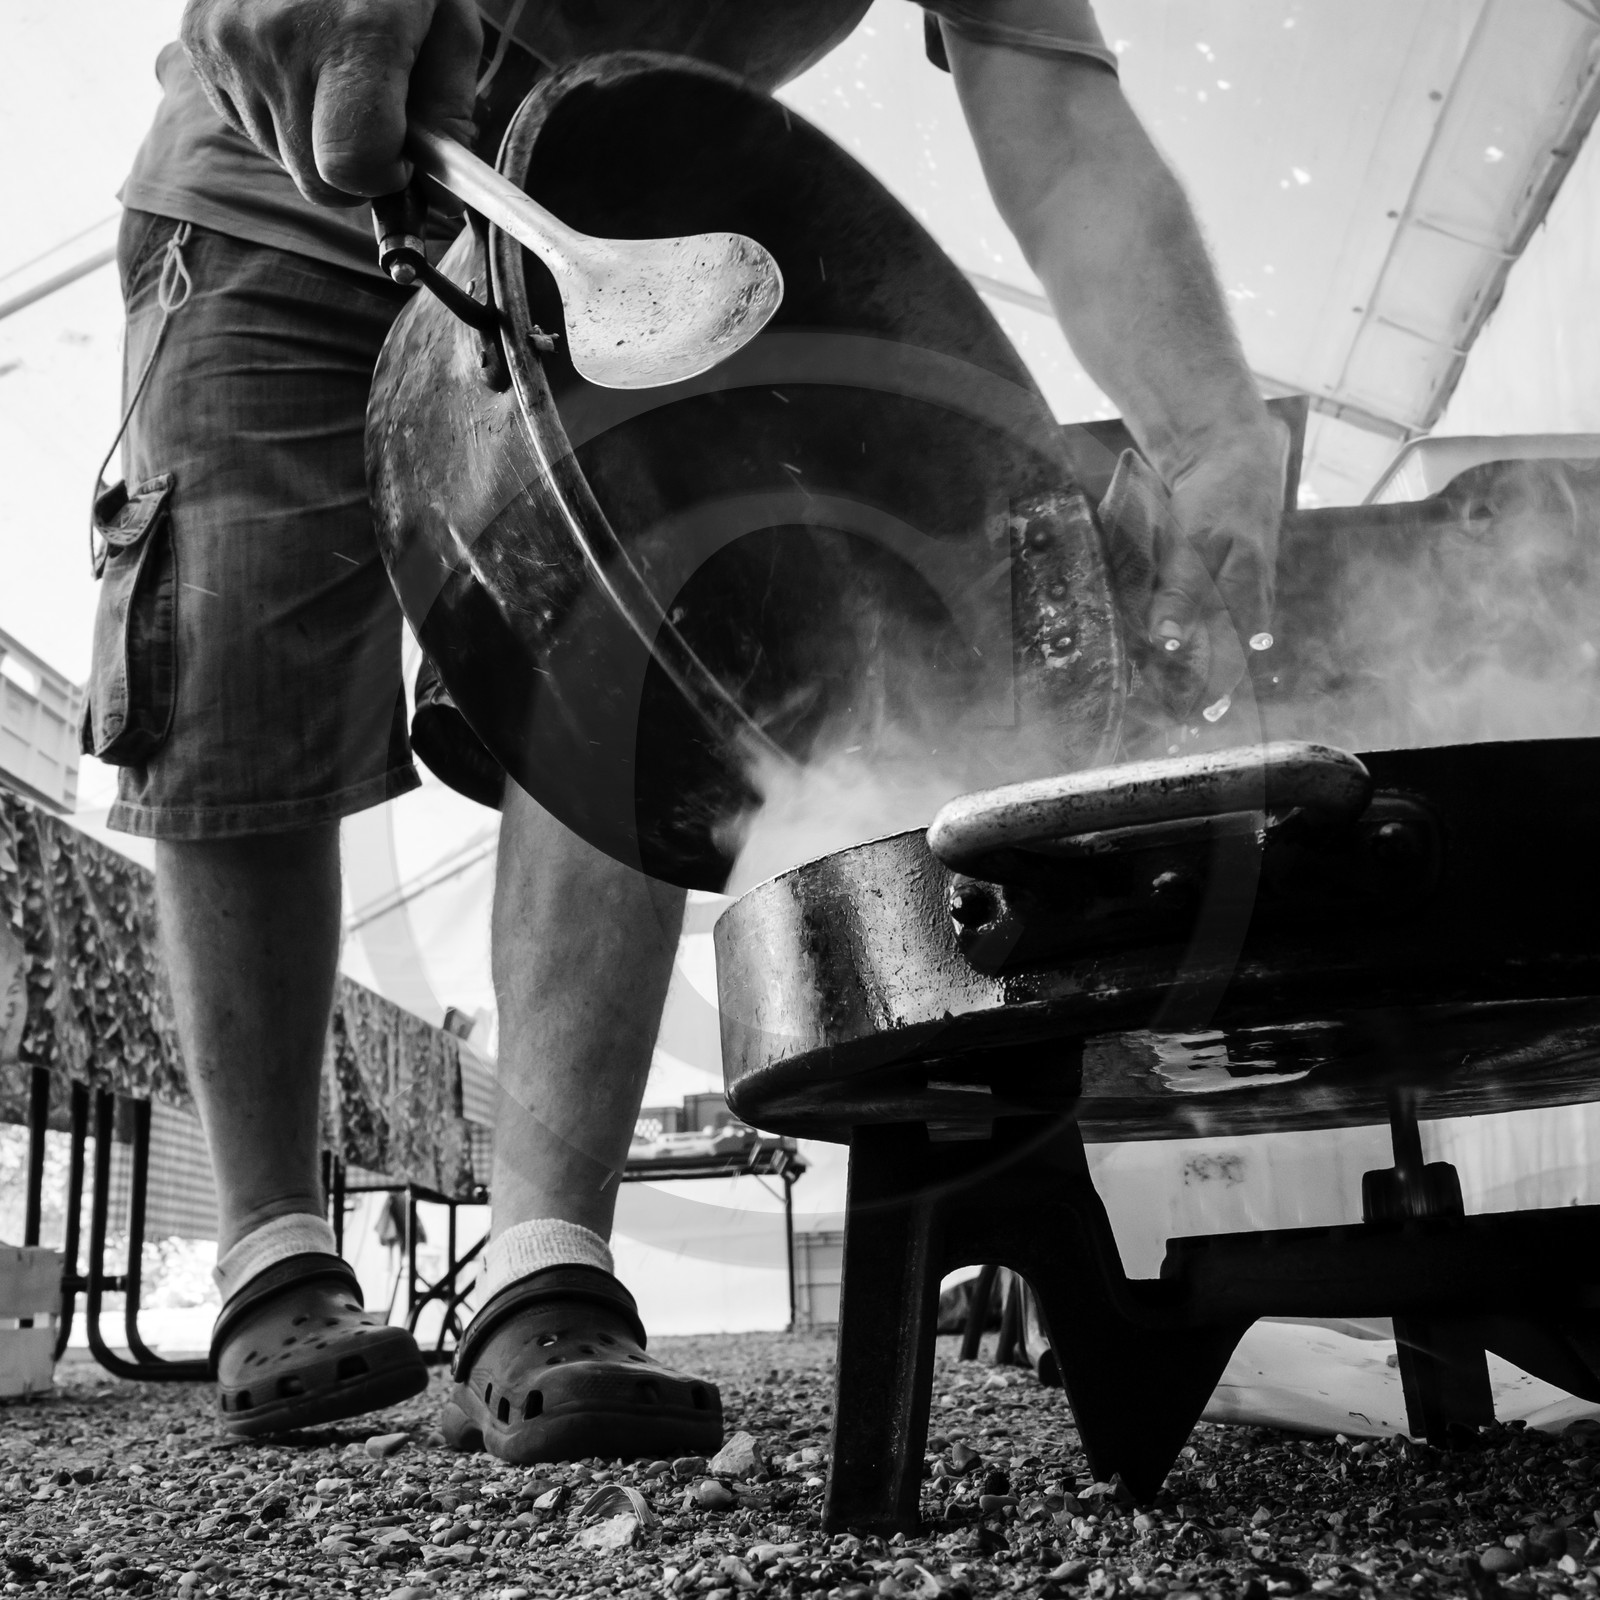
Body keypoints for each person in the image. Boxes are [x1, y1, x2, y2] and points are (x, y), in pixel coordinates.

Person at [96, 0, 1287, 1460]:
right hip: (271, 178)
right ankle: (270, 1251)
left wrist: (1211, 429)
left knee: (636, 645)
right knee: (237, 672)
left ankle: (543, 1265)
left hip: (611, 216)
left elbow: (1055, 112)